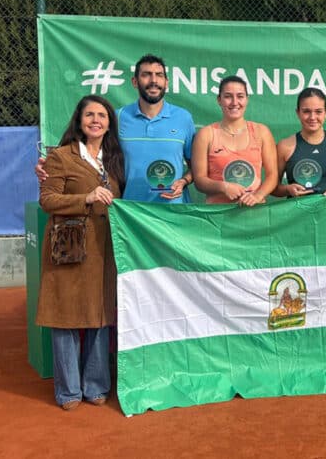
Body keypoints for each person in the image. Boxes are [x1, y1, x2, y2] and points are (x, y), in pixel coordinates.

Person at [36, 95, 125, 411]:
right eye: (90, 114)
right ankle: (69, 391)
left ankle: (96, 385)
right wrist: (85, 198)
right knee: (66, 318)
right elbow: (48, 200)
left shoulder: (113, 158)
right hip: (70, 247)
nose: (96, 120)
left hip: (105, 249)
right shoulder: (60, 157)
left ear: (109, 123)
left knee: (100, 316)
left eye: (102, 115)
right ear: (79, 120)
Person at [37, 54, 194, 203]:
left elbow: (196, 167)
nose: (154, 80)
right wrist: (51, 168)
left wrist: (184, 181)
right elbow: (85, 152)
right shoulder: (117, 117)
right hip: (129, 212)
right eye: (146, 74)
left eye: (159, 75)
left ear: (166, 82)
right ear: (134, 81)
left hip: (173, 210)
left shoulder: (184, 118)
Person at [191, 76, 277, 206]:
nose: (234, 102)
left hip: (255, 214)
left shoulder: (261, 132)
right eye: (228, 96)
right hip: (218, 216)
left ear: (247, 99)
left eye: (240, 96)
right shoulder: (206, 134)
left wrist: (258, 196)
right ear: (219, 100)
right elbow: (199, 180)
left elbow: (272, 176)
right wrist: (223, 187)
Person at [273, 87, 326, 197]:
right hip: (298, 213)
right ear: (298, 113)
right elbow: (274, 188)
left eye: (318, 112)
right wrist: (288, 189)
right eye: (306, 111)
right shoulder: (284, 146)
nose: (312, 117)